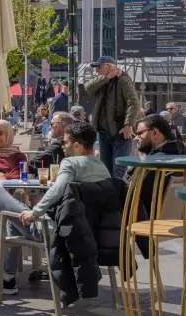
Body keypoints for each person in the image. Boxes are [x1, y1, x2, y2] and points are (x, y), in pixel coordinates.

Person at [11, 122, 111, 299]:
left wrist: (35, 213)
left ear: (77, 145)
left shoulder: (70, 163)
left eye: (65, 142)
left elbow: (58, 189)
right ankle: (10, 273)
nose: (63, 146)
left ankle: (6, 277)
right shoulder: (102, 167)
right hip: (89, 233)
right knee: (18, 217)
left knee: (7, 207)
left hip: (57, 232)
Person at [84, 55, 139, 180]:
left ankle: (120, 198)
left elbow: (134, 102)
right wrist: (107, 77)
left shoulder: (123, 80)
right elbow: (88, 88)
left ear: (108, 66)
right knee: (106, 171)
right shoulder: (102, 80)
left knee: (119, 171)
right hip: (104, 133)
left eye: (99, 67)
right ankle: (109, 198)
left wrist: (128, 125)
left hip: (120, 132)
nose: (96, 70)